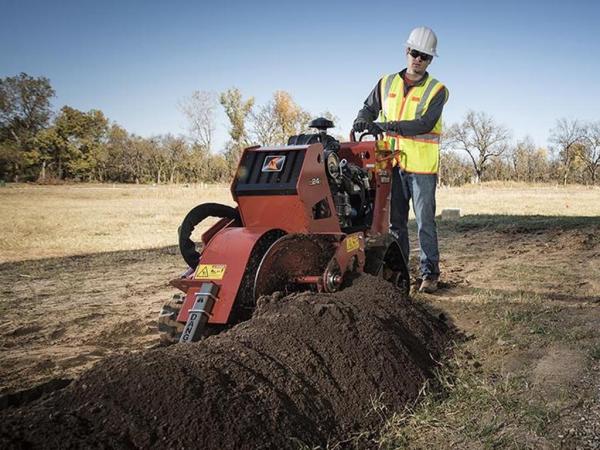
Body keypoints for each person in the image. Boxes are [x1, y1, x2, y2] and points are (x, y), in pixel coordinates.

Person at [353, 26, 449, 293]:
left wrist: (385, 127)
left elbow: (424, 124)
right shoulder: (386, 83)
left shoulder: (437, 90)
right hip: (391, 166)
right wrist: (362, 119)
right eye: (415, 53)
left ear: (430, 60)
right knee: (395, 223)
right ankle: (401, 274)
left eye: (425, 56)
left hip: (421, 169)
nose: (418, 59)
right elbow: (369, 108)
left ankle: (430, 275)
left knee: (424, 222)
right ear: (407, 51)